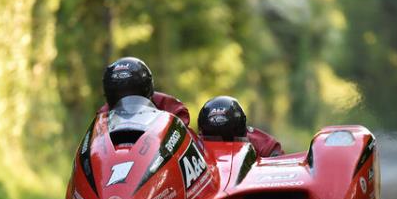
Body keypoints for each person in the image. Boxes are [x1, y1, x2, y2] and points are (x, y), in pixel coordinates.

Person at [98, 57, 283, 157]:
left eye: (133, 91)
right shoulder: (102, 121)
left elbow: (185, 140)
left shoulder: (170, 109)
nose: (127, 100)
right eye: (121, 94)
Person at [98, 57, 190, 127]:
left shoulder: (168, 105)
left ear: (146, 90)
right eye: (119, 94)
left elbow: (183, 130)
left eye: (132, 91)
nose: (127, 99)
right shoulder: (103, 116)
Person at [198, 96, 284, 157]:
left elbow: (280, 165)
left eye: (228, 141)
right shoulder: (195, 145)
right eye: (215, 140)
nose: (222, 150)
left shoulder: (263, 144)